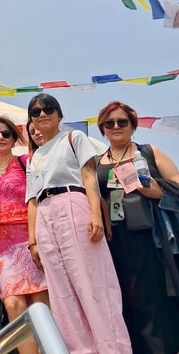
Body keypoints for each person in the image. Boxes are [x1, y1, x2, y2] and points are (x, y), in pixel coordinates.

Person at [25, 93, 130, 353]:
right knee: (61, 293)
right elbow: (32, 201)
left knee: (91, 281)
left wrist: (95, 213)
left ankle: (112, 348)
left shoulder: (73, 138)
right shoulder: (33, 158)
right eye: (35, 112)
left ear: (59, 114)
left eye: (48, 108)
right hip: (45, 215)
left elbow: (89, 176)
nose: (42, 114)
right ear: (31, 121)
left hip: (72, 202)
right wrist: (32, 241)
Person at [95, 101, 179, 354]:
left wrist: (158, 190)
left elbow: (176, 182)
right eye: (109, 123)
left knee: (155, 299)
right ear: (102, 128)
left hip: (150, 238)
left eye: (122, 122)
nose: (116, 126)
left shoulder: (149, 152)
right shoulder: (96, 162)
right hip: (114, 243)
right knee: (125, 302)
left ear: (132, 125)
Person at [0, 117, 48, 354]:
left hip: (30, 240)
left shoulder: (25, 162)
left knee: (40, 305)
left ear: (15, 138)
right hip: (3, 248)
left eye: (6, 133)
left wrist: (36, 240)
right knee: (13, 305)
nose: (0, 138)